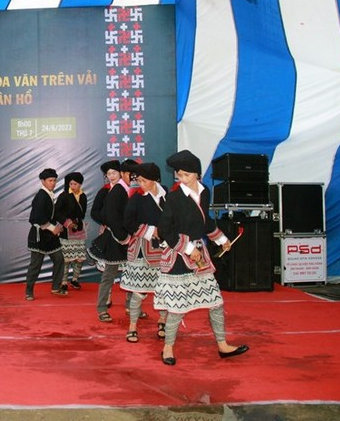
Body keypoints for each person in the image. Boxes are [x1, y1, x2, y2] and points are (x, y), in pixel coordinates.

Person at [155, 149, 249, 365]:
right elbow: (164, 230)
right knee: (177, 308)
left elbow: (205, 222)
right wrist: (188, 248)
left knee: (215, 302)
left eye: (186, 175)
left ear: (197, 174)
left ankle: (223, 345)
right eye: (179, 175)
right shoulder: (174, 196)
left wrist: (221, 239)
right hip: (178, 255)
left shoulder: (205, 192)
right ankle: (168, 347)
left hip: (200, 255)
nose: (182, 179)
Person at [121, 162, 167, 342]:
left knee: (163, 290)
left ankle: (163, 322)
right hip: (141, 249)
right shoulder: (137, 197)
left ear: (155, 180)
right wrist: (150, 231)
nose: (140, 184)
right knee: (138, 291)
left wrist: (162, 231)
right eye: (138, 180)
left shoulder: (166, 195)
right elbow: (128, 222)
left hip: (162, 250)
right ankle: (132, 326)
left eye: (144, 180)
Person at [88, 160, 134, 323]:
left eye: (115, 173)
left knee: (132, 273)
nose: (112, 176)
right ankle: (102, 306)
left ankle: (131, 306)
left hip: (127, 237)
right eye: (109, 174)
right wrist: (108, 223)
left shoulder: (129, 190)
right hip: (114, 236)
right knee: (109, 273)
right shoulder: (108, 191)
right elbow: (99, 212)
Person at [25, 168, 66, 300]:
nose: (53, 183)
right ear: (43, 181)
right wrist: (52, 227)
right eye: (50, 181)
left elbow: (52, 215)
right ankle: (29, 291)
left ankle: (55, 287)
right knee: (35, 265)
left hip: (49, 236)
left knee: (59, 259)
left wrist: (58, 226)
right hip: (39, 236)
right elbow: (37, 217)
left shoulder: (49, 194)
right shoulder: (41, 196)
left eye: (54, 180)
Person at [55, 172, 88, 290]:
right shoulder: (64, 195)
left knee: (79, 258)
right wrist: (68, 223)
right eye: (71, 184)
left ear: (80, 184)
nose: (73, 186)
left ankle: (74, 279)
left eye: (75, 184)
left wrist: (77, 222)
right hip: (66, 231)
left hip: (78, 230)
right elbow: (56, 213)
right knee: (66, 259)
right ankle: (63, 282)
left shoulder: (83, 196)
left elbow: (83, 213)